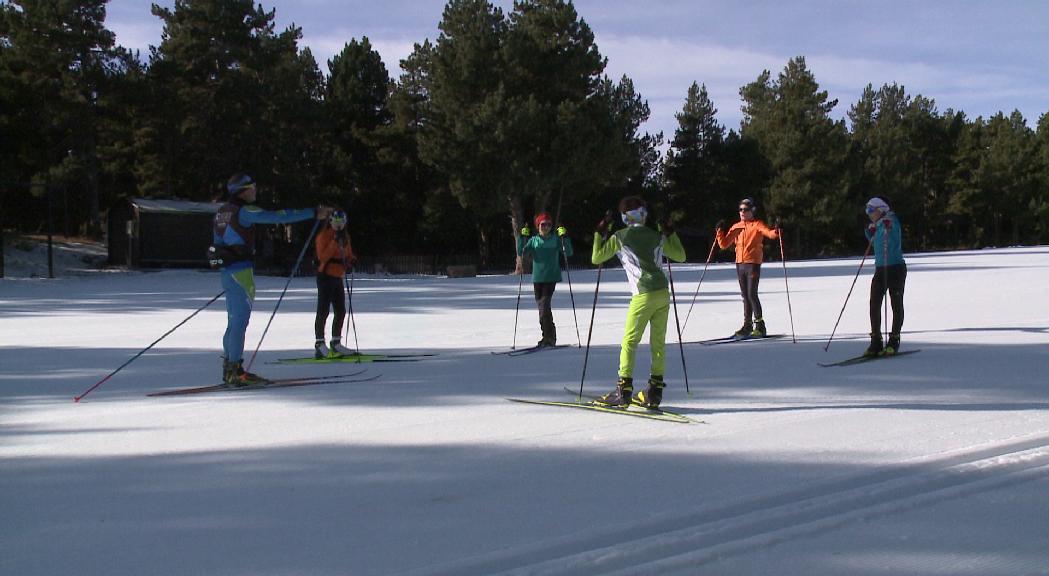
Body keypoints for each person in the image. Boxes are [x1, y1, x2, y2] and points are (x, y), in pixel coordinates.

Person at [212, 173, 330, 386]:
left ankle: (229, 368)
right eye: (252, 187)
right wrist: (313, 213)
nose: (255, 190)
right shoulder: (245, 211)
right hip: (241, 273)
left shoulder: (222, 212)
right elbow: (278, 216)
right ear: (243, 190)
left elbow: (218, 244)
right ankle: (235, 372)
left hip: (227, 272)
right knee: (240, 321)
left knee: (233, 321)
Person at [591, 196, 686, 409]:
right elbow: (680, 255)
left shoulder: (620, 237)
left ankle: (623, 390)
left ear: (624, 218)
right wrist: (670, 233)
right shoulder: (656, 236)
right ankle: (654, 391)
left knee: (630, 342)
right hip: (662, 292)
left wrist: (599, 232)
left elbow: (596, 258)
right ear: (644, 215)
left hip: (642, 295)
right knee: (658, 343)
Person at [715, 197, 780, 338]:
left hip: (753, 263)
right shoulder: (736, 226)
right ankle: (747, 325)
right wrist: (719, 231)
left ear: (752, 211)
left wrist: (776, 230)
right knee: (745, 296)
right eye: (740, 209)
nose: (742, 212)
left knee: (751, 294)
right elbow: (724, 244)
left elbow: (769, 234)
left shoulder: (756, 224)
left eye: (746, 209)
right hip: (740, 264)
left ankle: (760, 326)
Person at [518, 212, 573, 347]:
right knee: (542, 309)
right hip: (538, 278)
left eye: (549, 224)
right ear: (538, 226)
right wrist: (522, 237)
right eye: (543, 224)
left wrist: (564, 237)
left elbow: (568, 252)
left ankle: (550, 337)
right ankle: (547, 337)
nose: (546, 227)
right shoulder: (534, 241)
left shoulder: (555, 239)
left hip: (551, 277)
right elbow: (522, 252)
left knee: (544, 306)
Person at [864, 196, 906, 356]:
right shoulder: (879, 224)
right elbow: (875, 242)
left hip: (895, 268)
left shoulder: (891, 221)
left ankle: (894, 340)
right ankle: (876, 340)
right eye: (867, 210)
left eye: (870, 210)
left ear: (880, 209)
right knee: (874, 304)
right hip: (881, 269)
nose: (868, 214)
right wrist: (870, 231)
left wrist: (883, 225)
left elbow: (893, 231)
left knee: (896, 304)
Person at [314, 209, 357, 359]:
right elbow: (323, 256)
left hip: (338, 275)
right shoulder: (323, 236)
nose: (338, 226)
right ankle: (320, 344)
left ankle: (336, 343)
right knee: (323, 310)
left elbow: (349, 253)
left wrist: (351, 261)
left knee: (341, 310)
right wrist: (334, 241)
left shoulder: (345, 237)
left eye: (341, 223)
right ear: (330, 222)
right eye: (336, 223)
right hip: (325, 275)